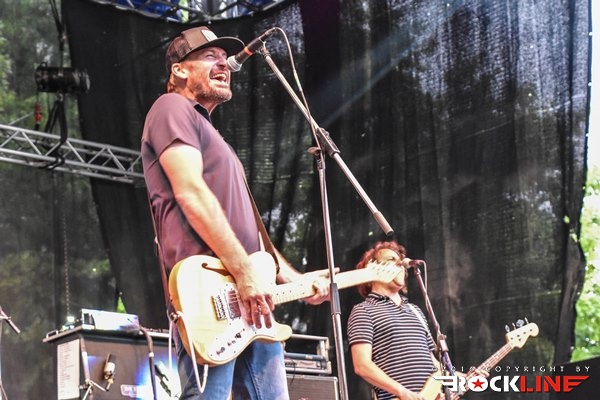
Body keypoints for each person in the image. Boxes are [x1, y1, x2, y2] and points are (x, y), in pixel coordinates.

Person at [141, 26, 329, 400]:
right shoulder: (171, 107)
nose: (224, 64)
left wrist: (295, 280)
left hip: (250, 298)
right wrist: (243, 273)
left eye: (224, 58)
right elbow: (190, 192)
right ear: (179, 70)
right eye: (210, 56)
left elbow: (253, 240)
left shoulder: (217, 141)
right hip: (208, 292)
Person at [347, 240, 441, 400]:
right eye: (391, 260)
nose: (400, 264)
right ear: (372, 270)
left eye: (400, 262)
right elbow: (362, 365)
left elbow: (434, 365)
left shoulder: (415, 311)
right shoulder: (363, 310)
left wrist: (464, 378)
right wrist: (403, 392)